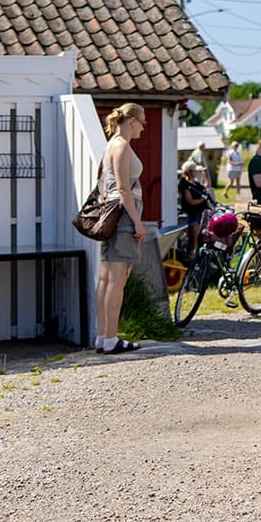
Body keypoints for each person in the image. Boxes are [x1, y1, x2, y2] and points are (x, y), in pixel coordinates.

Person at [95, 103, 150, 355]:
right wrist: (138, 223)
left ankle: (102, 335)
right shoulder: (122, 146)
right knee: (117, 280)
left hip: (112, 216)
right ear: (132, 121)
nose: (143, 128)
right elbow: (123, 188)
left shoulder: (111, 145)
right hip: (124, 217)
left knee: (106, 279)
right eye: (142, 123)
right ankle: (111, 338)